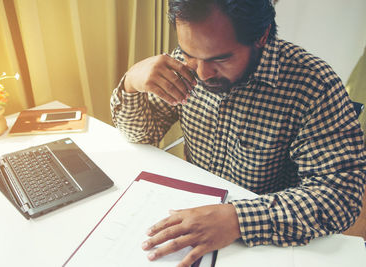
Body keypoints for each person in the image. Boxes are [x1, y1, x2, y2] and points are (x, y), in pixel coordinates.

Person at [110, 0, 366, 266]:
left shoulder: (314, 85)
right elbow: (140, 136)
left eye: (220, 58)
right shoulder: (185, 64)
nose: (202, 73)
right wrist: (131, 83)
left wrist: (237, 219)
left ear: (262, 36)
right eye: (189, 54)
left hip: (270, 238)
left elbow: (341, 196)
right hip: (193, 216)